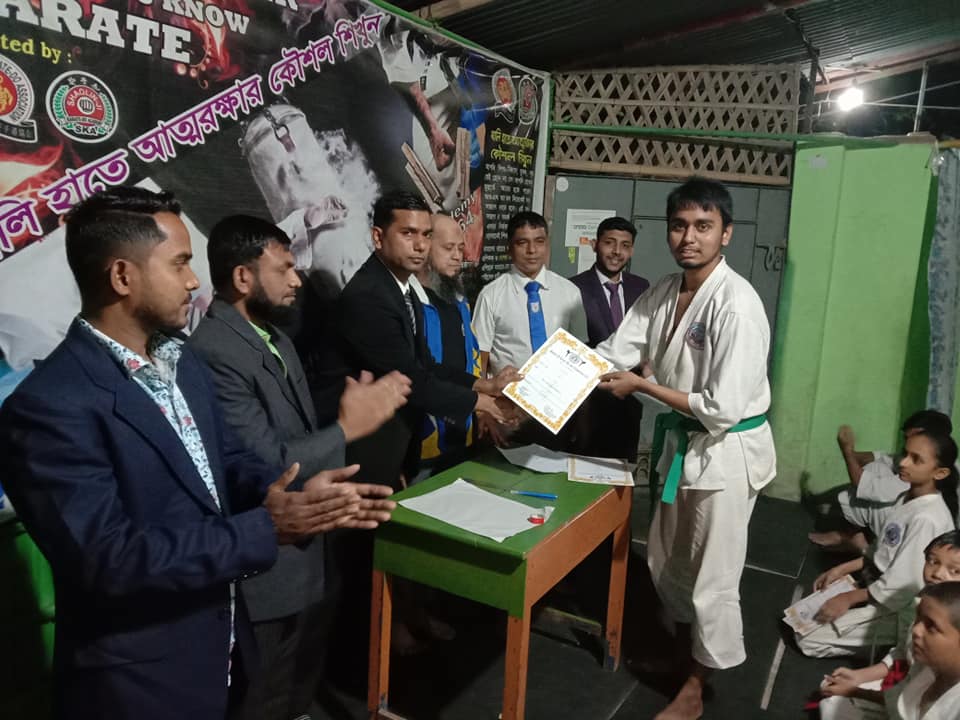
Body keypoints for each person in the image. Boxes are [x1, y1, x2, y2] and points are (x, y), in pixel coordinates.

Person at [0, 187, 397, 720]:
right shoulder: (48, 407)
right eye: (181, 263)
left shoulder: (183, 363)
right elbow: (109, 562)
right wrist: (267, 528)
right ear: (123, 276)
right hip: (139, 682)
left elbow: (228, 465)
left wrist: (298, 492)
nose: (194, 280)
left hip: (224, 646)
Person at [187, 215, 410, 720]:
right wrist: (348, 430)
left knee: (299, 689)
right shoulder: (213, 352)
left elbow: (298, 438)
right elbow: (268, 465)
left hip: (314, 551)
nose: (296, 279)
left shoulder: (276, 337)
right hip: (269, 570)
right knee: (262, 695)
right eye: (284, 268)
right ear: (243, 278)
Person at [595, 178, 777, 720]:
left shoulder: (737, 304)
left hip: (725, 453)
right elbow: (613, 350)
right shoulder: (664, 291)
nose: (688, 237)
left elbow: (721, 408)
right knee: (669, 558)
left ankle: (697, 688)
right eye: (679, 226)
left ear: (726, 234)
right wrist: (536, 386)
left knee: (713, 574)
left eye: (703, 226)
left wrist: (643, 386)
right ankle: (682, 656)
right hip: (683, 442)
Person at [336, 190, 518, 490]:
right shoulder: (369, 296)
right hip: (367, 450)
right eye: (408, 233)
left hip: (397, 446)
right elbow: (411, 379)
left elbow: (425, 365)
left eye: (425, 234)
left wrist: (486, 385)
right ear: (378, 237)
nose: (420, 245)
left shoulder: (400, 289)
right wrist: (484, 403)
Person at [798, 430, 957, 659]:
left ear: (940, 472)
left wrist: (849, 598)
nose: (902, 463)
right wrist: (841, 570)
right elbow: (882, 552)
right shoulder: (907, 497)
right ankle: (873, 635)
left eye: (916, 459)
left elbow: (903, 584)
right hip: (878, 584)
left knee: (806, 640)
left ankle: (894, 641)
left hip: (899, 604)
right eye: (905, 454)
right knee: (806, 618)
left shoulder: (927, 518)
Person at [819, 530, 960, 719]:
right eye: (933, 561)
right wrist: (857, 682)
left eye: (956, 570)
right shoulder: (925, 608)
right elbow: (902, 657)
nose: (938, 574)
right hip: (901, 690)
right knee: (831, 703)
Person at [811, 411, 954, 553]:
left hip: (929, 552)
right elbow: (884, 458)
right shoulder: (926, 465)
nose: (904, 462)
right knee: (878, 468)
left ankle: (857, 543)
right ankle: (857, 543)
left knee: (877, 495)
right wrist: (849, 450)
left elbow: (867, 487)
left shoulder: (926, 514)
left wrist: (847, 450)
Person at [570, 216, 649, 459]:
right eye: (609, 243)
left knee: (624, 473)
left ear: (632, 250)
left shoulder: (641, 287)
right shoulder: (574, 287)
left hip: (630, 400)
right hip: (589, 403)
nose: (617, 252)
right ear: (595, 245)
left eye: (625, 245)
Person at [473, 210, 587, 377]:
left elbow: (580, 349)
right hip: (506, 398)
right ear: (509, 248)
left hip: (558, 393)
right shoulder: (491, 295)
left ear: (547, 245)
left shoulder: (570, 292)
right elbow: (480, 355)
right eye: (522, 243)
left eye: (539, 241)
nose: (532, 250)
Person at [413, 213, 482, 471]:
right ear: (426, 246)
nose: (457, 256)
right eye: (448, 248)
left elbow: (471, 358)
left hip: (462, 433)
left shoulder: (459, 301)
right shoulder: (410, 304)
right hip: (421, 443)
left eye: (460, 248)